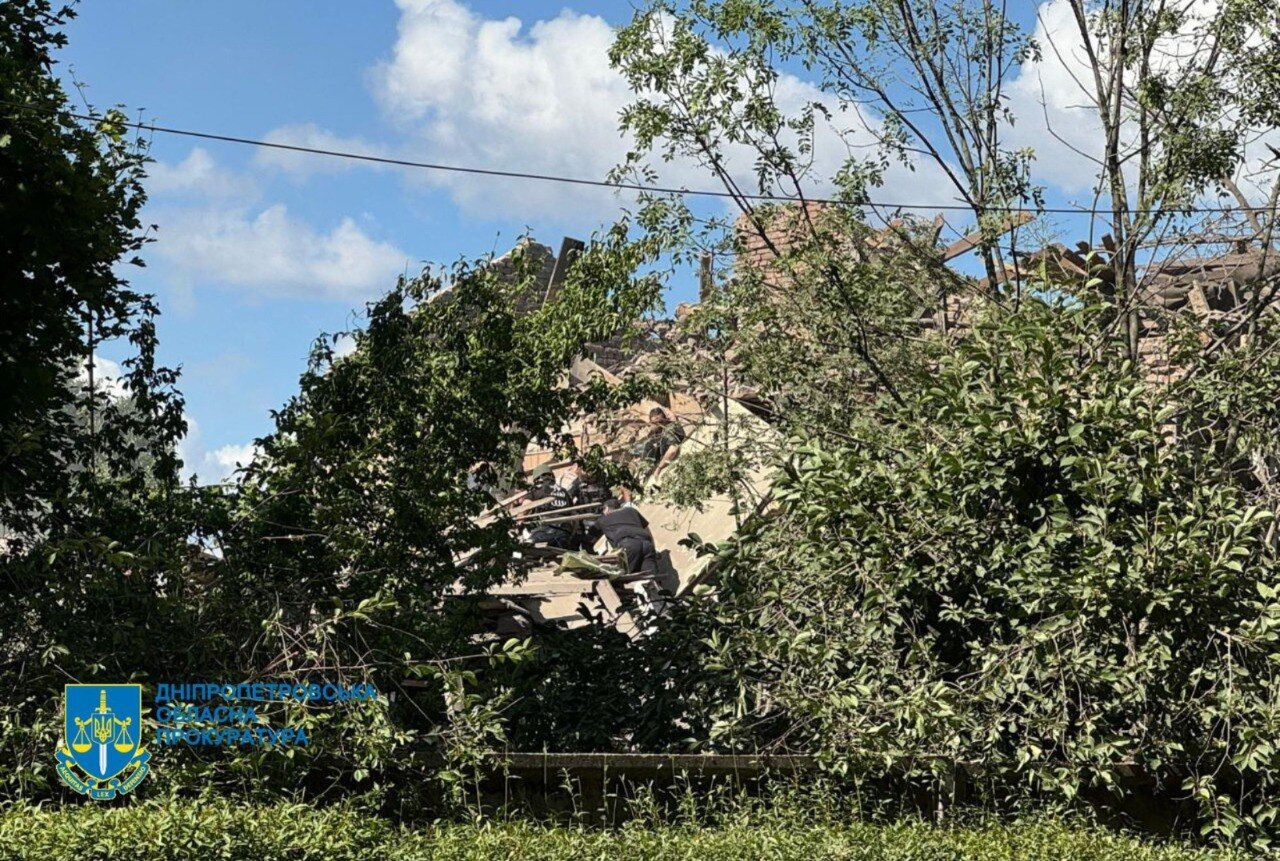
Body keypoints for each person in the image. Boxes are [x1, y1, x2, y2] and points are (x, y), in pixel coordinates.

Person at [594, 497, 658, 576]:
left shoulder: (603, 519)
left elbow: (590, 538)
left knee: (621, 577)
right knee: (651, 577)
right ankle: (655, 586)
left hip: (628, 546)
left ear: (607, 508)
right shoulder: (632, 510)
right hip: (647, 545)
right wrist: (654, 550)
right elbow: (648, 531)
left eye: (603, 509)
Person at [640, 406, 685, 477]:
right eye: (654, 423)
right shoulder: (658, 431)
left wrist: (659, 468)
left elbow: (672, 450)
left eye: (659, 422)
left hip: (666, 459)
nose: (657, 424)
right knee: (647, 444)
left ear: (664, 419)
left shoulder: (669, 429)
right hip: (655, 456)